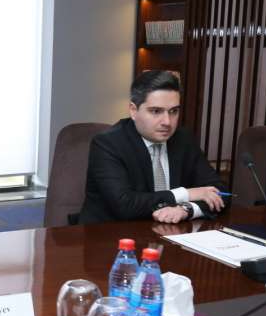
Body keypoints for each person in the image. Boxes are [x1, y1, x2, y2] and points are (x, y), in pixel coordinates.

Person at [79, 70, 228, 224]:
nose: (167, 122)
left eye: (174, 111)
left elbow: (220, 192)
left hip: (170, 232)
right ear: (133, 110)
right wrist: (186, 194)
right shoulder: (108, 144)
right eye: (156, 111)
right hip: (110, 234)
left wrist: (187, 209)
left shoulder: (183, 139)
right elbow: (125, 205)